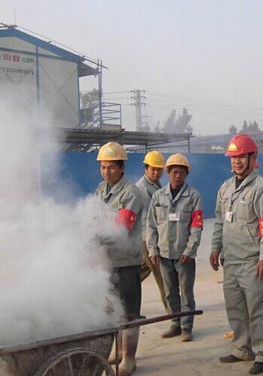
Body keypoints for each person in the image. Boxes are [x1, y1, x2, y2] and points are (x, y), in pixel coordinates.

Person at [210, 134, 263, 375]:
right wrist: (215, 248)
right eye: (233, 157)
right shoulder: (225, 188)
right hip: (231, 260)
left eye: (241, 156)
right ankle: (242, 348)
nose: (237, 162)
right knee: (236, 309)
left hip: (253, 261)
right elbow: (219, 221)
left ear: (253, 157)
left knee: (259, 310)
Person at [95, 142, 144, 376]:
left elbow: (121, 229)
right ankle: (119, 350)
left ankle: (130, 359)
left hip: (126, 262)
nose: (106, 172)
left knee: (129, 312)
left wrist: (92, 238)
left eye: (111, 168)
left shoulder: (131, 193)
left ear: (122, 167)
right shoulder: (100, 190)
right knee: (112, 309)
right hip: (107, 261)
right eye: (103, 167)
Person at [147, 153, 203, 342]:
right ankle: (174, 323)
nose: (177, 176)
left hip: (183, 256)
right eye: (174, 172)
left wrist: (189, 250)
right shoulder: (158, 197)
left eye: (181, 172)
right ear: (168, 173)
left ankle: (186, 327)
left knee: (186, 293)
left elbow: (196, 226)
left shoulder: (193, 196)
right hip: (163, 254)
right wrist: (153, 249)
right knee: (170, 292)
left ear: (186, 174)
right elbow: (151, 225)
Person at [135, 151, 169, 314]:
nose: (156, 172)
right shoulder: (143, 188)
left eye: (159, 169)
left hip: (151, 236)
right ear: (146, 168)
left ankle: (118, 294)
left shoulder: (155, 185)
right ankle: (172, 311)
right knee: (162, 274)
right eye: (153, 169)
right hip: (147, 238)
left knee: (141, 271)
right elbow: (150, 218)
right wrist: (154, 244)